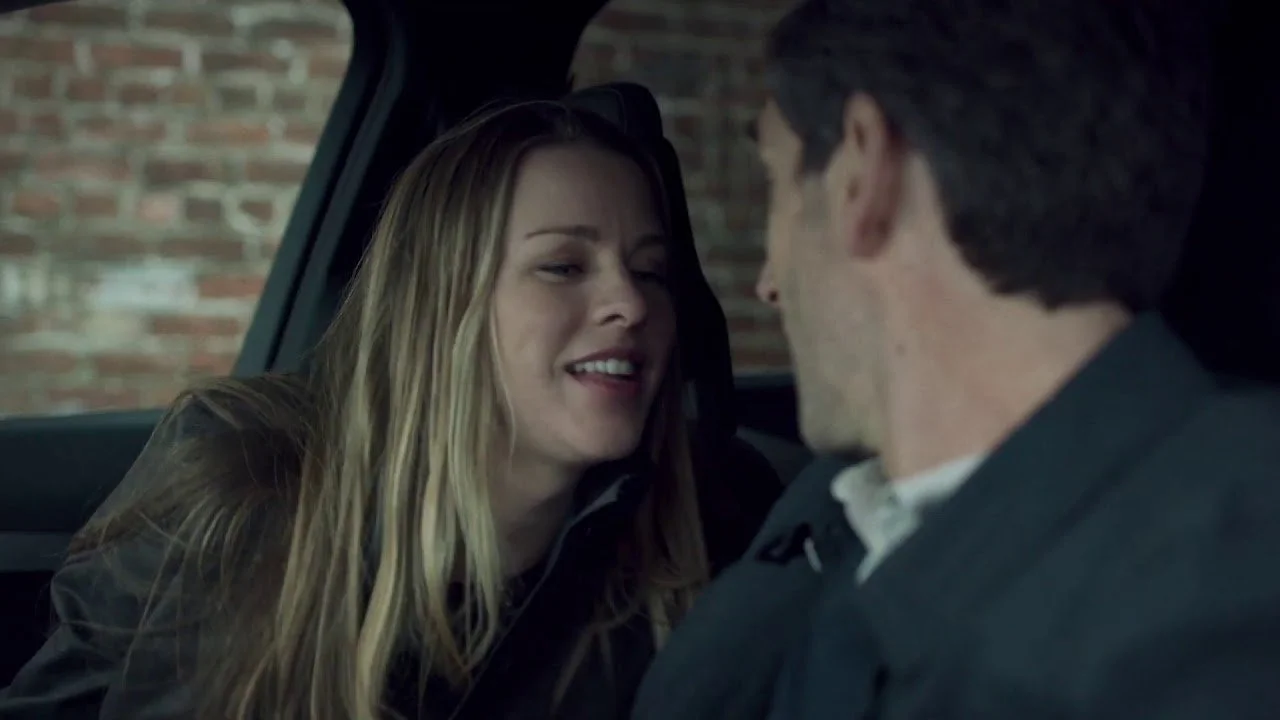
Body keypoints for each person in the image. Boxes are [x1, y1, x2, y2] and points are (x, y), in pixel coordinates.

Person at [633, 0, 1280, 718]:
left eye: (777, 184)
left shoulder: (1200, 628)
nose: (768, 281)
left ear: (861, 170)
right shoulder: (871, 534)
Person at [0, 100, 711, 720]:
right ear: (439, 301)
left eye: (652, 271)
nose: (632, 303)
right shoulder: (241, 486)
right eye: (563, 266)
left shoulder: (698, 549)